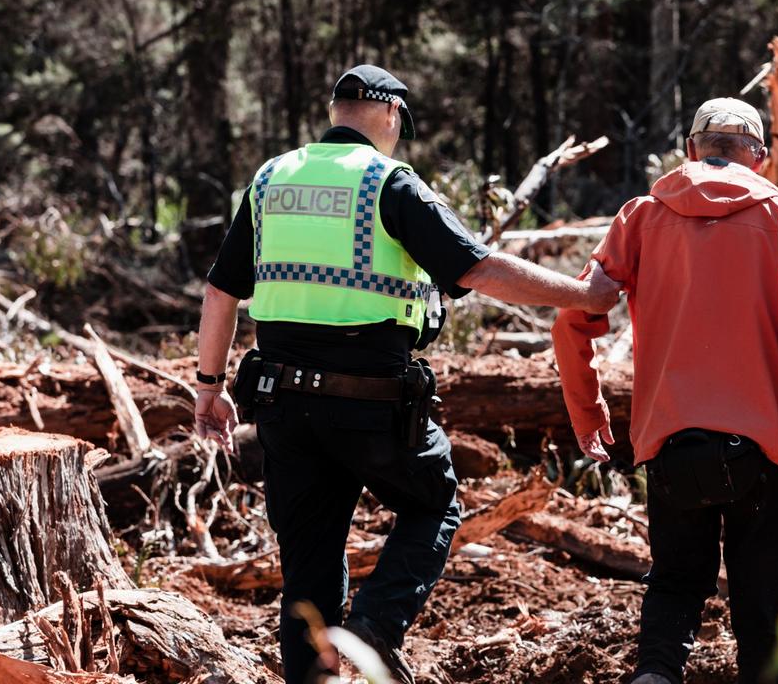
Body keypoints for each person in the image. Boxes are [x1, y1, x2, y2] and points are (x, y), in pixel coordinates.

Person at [192, 64, 620, 684]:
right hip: (372, 403)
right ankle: (374, 628)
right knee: (435, 504)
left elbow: (219, 292)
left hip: (282, 404)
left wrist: (209, 389)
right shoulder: (389, 182)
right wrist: (584, 296)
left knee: (307, 572)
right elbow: (481, 270)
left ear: (337, 112)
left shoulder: (272, 179)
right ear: (390, 114)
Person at [552, 97, 778, 684]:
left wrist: (589, 416)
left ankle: (655, 675)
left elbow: (573, 315)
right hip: (770, 454)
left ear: (690, 150)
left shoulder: (639, 216)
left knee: (675, 587)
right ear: (759, 158)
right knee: (765, 621)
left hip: (669, 446)